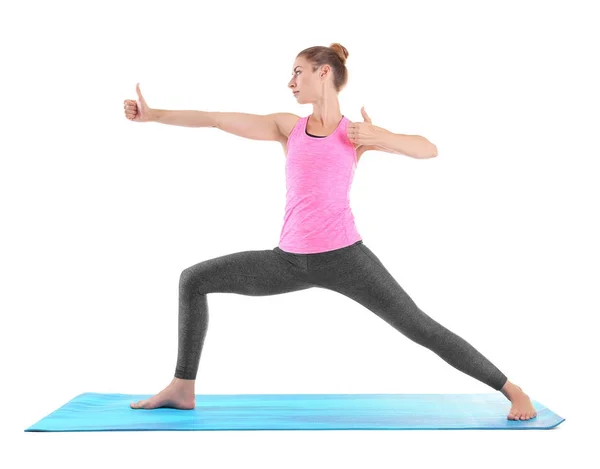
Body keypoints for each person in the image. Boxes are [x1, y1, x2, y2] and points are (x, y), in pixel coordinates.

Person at [123, 43, 536, 421]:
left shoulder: (354, 134)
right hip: (287, 260)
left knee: (419, 327)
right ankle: (182, 386)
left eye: (297, 72)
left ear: (323, 73)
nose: (290, 81)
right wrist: (154, 114)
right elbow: (215, 120)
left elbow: (429, 149)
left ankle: (512, 389)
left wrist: (381, 137)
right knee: (194, 280)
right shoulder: (288, 127)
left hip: (346, 259)